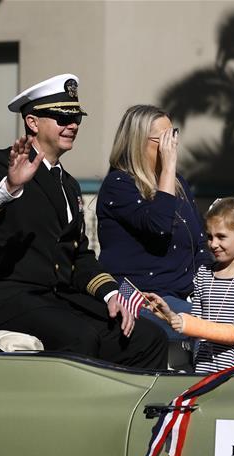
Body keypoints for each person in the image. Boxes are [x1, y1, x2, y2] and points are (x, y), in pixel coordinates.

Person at [0, 73, 166, 369]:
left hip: (54, 299)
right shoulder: (1, 163)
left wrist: (111, 294)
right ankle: (79, 416)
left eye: (76, 118)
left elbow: (78, 256)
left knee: (148, 337)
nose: (72, 125)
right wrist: (9, 187)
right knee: (80, 338)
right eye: (61, 117)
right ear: (32, 122)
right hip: (2, 296)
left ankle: (131, 414)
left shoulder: (69, 184)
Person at [96, 105, 210, 340]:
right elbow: (158, 227)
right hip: (143, 297)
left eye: (174, 135)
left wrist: (213, 290)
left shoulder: (178, 183)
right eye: (165, 139)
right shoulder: (118, 185)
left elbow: (199, 244)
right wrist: (168, 167)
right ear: (138, 142)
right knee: (208, 328)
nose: (172, 145)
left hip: (182, 295)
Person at [146, 197, 234, 373]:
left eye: (221, 237)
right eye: (209, 237)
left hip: (232, 375)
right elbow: (194, 324)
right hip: (200, 370)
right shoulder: (204, 273)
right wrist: (170, 315)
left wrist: (184, 323)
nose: (213, 244)